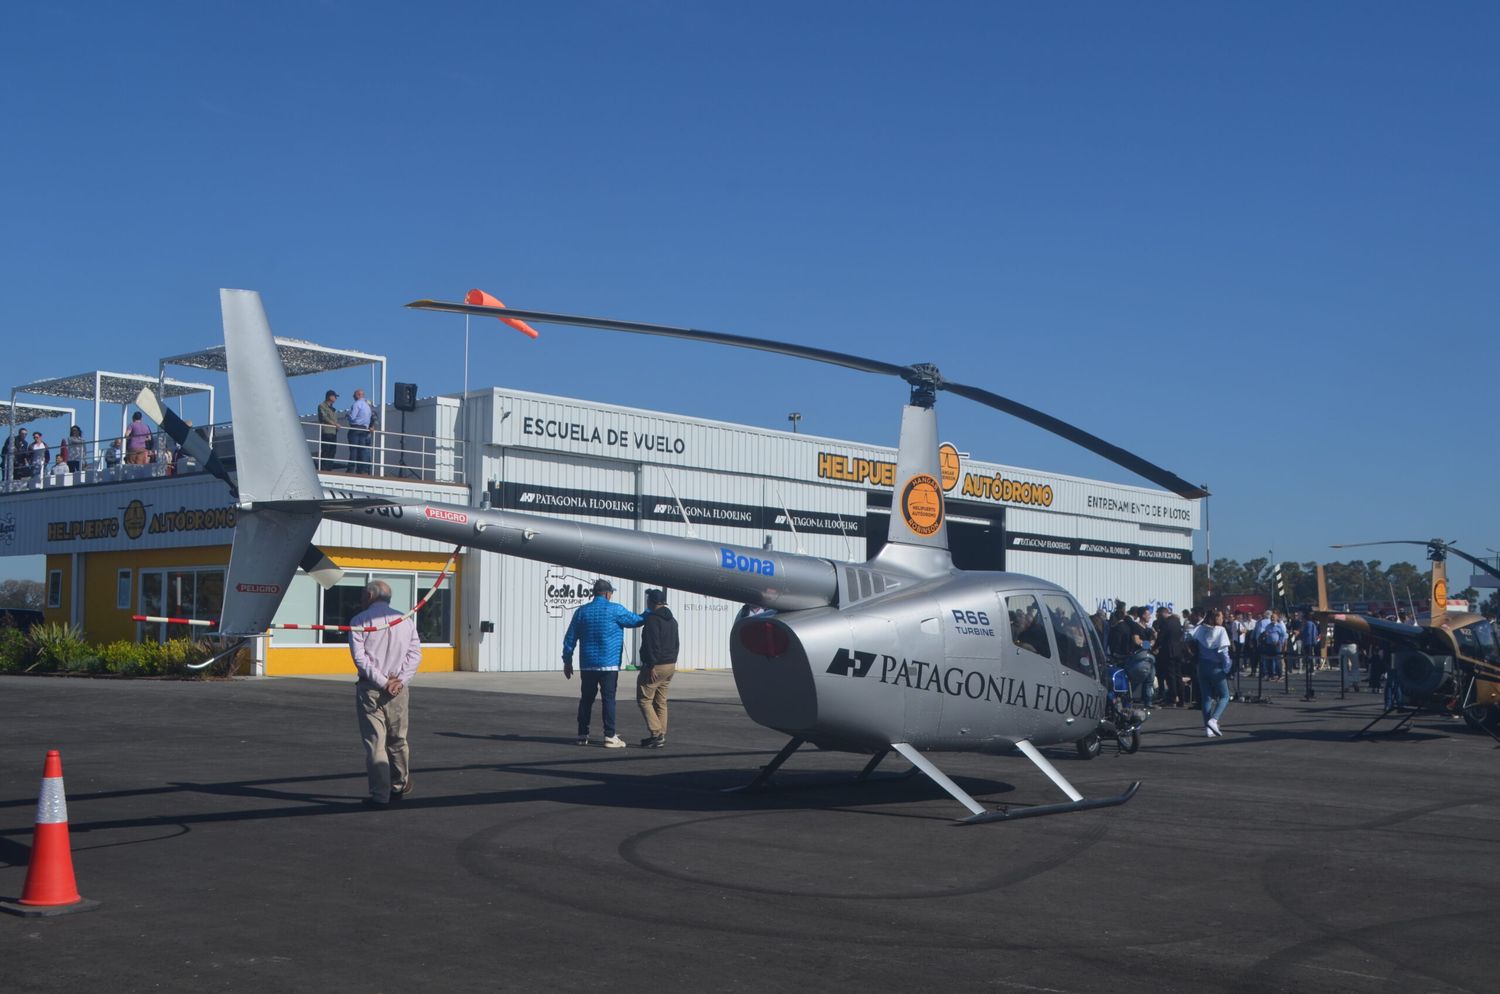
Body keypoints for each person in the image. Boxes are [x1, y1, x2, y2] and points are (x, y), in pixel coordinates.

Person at [349, 580, 422, 808]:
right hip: (398, 691)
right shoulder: (405, 620)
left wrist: (382, 682)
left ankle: (380, 795)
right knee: (398, 740)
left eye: (363, 595)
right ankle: (399, 785)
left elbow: (360, 659)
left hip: (370, 689)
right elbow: (415, 654)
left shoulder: (359, 621)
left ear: (370, 596)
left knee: (376, 744)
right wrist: (399, 681)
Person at [562, 578, 644, 748]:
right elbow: (636, 620)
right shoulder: (615, 610)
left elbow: (570, 638)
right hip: (609, 664)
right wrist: (650, 613)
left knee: (586, 699)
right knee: (608, 700)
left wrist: (567, 661)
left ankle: (582, 734)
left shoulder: (581, 612)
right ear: (607, 594)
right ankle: (609, 735)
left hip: (588, 664)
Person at [636, 588, 680, 748]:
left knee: (644, 699)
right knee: (661, 701)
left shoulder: (653, 620)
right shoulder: (672, 620)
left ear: (652, 602)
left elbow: (651, 644)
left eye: (648, 601)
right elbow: (676, 644)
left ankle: (656, 733)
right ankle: (660, 734)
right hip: (670, 665)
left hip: (657, 665)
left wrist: (650, 665)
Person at [1193, 608, 1234, 737]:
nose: (1223, 619)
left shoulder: (1200, 629)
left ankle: (1208, 728)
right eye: (1221, 616)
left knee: (1206, 698)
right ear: (1216, 618)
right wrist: (1227, 668)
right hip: (1216, 667)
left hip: (1202, 666)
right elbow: (1224, 653)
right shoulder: (1220, 630)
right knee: (1225, 696)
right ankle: (1214, 719)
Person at [1153, 605, 1186, 707]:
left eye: (1158, 615)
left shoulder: (1165, 623)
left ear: (1163, 613)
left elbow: (1161, 638)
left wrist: (1154, 648)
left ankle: (1172, 699)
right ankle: (1181, 699)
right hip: (1178, 651)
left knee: (1171, 676)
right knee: (1178, 675)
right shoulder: (1176, 621)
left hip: (1169, 652)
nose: (1157, 618)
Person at [347, 388, 373, 473]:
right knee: (362, 450)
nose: (353, 396)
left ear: (358, 395)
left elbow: (352, 417)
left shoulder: (357, 404)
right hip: (364, 429)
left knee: (354, 449)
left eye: (354, 395)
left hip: (355, 428)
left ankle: (351, 469)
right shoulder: (367, 406)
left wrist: (347, 415)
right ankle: (361, 470)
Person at [317, 389, 340, 470]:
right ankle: (324, 468)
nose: (336, 399)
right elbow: (324, 417)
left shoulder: (333, 408)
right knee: (326, 450)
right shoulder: (322, 406)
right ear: (330, 397)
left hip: (333, 432)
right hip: (326, 431)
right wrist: (334, 424)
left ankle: (329, 468)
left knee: (332, 451)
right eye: (335, 397)